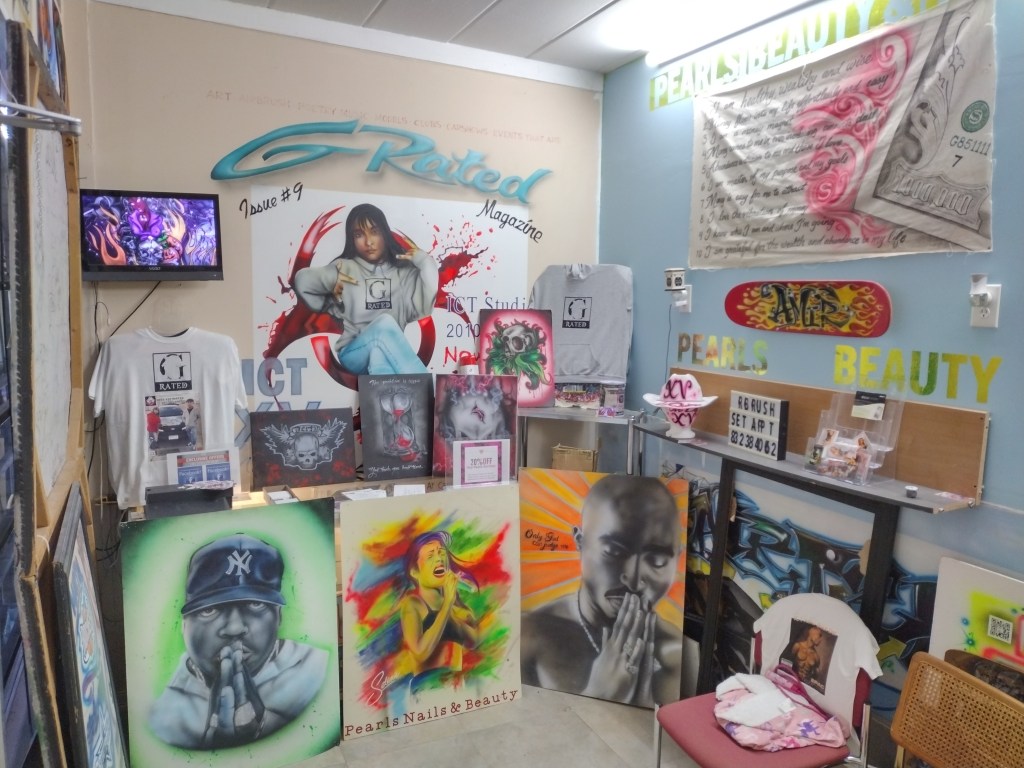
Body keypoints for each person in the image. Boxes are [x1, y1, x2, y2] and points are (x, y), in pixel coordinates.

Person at [149, 534, 328, 750]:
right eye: (209, 610)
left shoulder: (317, 671)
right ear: (184, 625)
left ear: (278, 616)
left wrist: (264, 723)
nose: (234, 628)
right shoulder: (161, 718)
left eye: (256, 604)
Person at [521, 474, 684, 706]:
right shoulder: (528, 636)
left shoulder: (679, 653)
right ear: (580, 541)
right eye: (614, 552)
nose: (634, 582)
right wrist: (598, 695)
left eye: (657, 560)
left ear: (677, 558)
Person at [292, 203, 438, 375]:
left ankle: (384, 392)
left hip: (387, 351)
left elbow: (425, 306)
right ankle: (428, 386)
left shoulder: (403, 274)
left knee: (379, 355)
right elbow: (302, 282)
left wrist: (425, 262)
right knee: (384, 324)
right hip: (353, 354)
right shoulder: (345, 268)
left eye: (374, 232)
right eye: (359, 234)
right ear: (352, 239)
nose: (368, 242)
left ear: (385, 234)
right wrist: (330, 284)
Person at [394, 531, 479, 681]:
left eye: (441, 553)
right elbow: (420, 653)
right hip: (427, 687)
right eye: (430, 556)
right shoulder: (412, 604)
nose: (439, 559)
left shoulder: (457, 607)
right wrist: (447, 605)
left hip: (456, 686)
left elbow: (474, 642)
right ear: (415, 572)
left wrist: (452, 607)